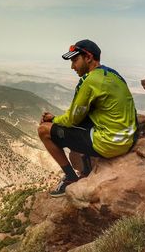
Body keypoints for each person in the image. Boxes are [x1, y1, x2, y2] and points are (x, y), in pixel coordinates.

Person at [38, 39, 138, 197]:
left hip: (109, 144)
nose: (72, 67)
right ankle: (85, 168)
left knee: (44, 130)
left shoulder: (89, 81)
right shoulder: (113, 74)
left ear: (89, 58)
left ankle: (70, 178)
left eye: (75, 60)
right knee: (81, 124)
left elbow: (72, 119)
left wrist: (53, 120)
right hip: (129, 139)